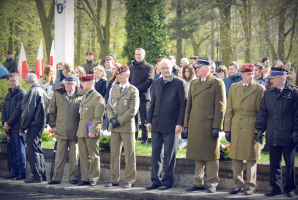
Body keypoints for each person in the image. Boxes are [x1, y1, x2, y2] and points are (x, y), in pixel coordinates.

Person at [183, 57, 226, 193]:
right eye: (197, 68)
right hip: (195, 122)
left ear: (207, 69)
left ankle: (212, 182)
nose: (196, 69)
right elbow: (188, 105)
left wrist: (217, 127)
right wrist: (186, 125)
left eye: (199, 68)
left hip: (209, 123)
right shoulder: (194, 83)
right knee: (197, 152)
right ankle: (198, 182)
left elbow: (220, 107)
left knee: (211, 154)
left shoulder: (217, 83)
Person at [256, 66, 298, 198]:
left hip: (288, 134)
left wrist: (296, 131)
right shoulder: (268, 93)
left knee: (290, 164)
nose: (271, 80)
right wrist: (260, 130)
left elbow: (297, 114)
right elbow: (263, 113)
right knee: (274, 163)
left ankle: (290, 188)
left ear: (281, 78)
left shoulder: (293, 92)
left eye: (273, 78)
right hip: (273, 133)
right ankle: (276, 188)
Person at [145, 59, 187, 190]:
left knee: (170, 155)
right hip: (157, 124)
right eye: (162, 68)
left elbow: (183, 105)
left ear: (172, 67)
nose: (165, 70)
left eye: (167, 68)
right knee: (156, 154)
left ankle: (167, 181)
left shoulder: (179, 83)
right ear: (159, 69)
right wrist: (149, 121)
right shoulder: (156, 82)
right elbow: (153, 103)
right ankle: (155, 180)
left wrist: (180, 124)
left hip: (172, 125)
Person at [224, 63, 264, 195]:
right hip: (236, 125)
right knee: (236, 156)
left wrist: (260, 131)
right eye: (248, 74)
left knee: (251, 157)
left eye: (252, 73)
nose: (251, 76)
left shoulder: (259, 89)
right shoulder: (234, 88)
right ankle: (237, 184)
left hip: (252, 125)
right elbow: (229, 110)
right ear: (241, 74)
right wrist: (227, 129)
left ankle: (250, 186)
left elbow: (262, 113)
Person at [48, 75, 86, 185]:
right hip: (61, 129)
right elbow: (52, 111)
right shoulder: (57, 93)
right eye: (66, 83)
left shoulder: (82, 95)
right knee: (59, 156)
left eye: (69, 84)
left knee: (74, 156)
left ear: (75, 84)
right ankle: (56, 177)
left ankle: (73, 177)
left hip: (75, 129)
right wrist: (54, 125)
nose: (66, 86)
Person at [105, 66, 139, 188]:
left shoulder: (133, 90)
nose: (119, 77)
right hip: (114, 126)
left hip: (126, 126)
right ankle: (114, 179)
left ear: (127, 75)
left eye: (122, 75)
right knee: (114, 154)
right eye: (118, 75)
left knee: (129, 154)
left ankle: (130, 180)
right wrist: (111, 118)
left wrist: (118, 120)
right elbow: (108, 106)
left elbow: (132, 110)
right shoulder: (114, 89)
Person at [20, 73, 50, 183]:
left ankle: (37, 176)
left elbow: (28, 112)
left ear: (27, 82)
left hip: (33, 125)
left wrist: (22, 128)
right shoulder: (42, 90)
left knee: (33, 150)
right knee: (38, 149)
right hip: (40, 124)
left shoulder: (33, 91)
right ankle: (42, 174)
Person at [77, 74, 105, 187]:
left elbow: (98, 117)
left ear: (89, 83)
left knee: (93, 155)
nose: (81, 85)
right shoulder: (85, 96)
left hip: (91, 130)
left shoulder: (97, 97)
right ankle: (85, 177)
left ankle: (93, 178)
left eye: (83, 83)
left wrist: (93, 130)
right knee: (83, 155)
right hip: (82, 130)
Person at [2, 73, 27, 180]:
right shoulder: (9, 93)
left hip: (17, 127)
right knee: (12, 150)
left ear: (19, 80)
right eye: (10, 80)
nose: (12, 82)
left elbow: (18, 110)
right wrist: (4, 122)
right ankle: (14, 171)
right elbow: (4, 109)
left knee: (19, 150)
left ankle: (22, 172)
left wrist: (9, 123)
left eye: (14, 80)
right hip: (10, 127)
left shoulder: (21, 93)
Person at [129, 48, 154, 143]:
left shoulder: (149, 67)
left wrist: (135, 90)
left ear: (144, 55)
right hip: (132, 97)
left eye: (139, 54)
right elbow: (128, 80)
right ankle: (134, 138)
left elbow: (149, 81)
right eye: (136, 54)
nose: (137, 56)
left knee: (144, 120)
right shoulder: (131, 67)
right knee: (133, 120)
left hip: (143, 97)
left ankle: (145, 139)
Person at [105, 64, 121, 130]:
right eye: (112, 68)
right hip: (110, 103)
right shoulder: (112, 80)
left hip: (116, 105)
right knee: (107, 123)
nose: (113, 70)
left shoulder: (120, 81)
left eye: (115, 68)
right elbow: (108, 92)